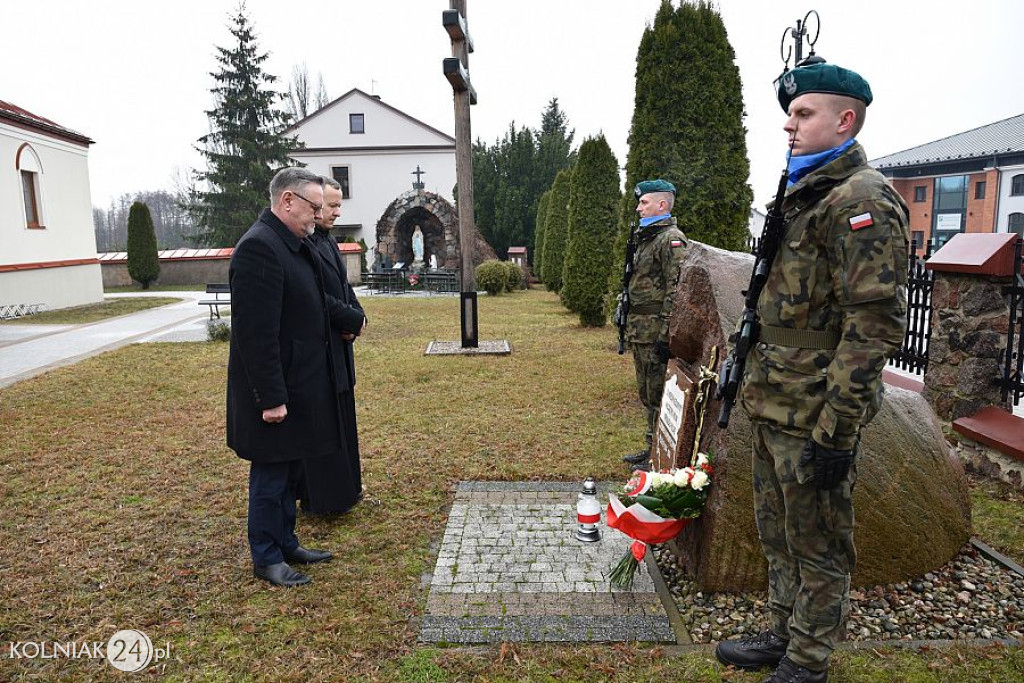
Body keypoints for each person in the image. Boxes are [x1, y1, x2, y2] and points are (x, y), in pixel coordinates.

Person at [714, 62, 909, 682]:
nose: (788, 124)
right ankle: (783, 632)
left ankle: (809, 661)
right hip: (774, 400)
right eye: (791, 114)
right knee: (779, 533)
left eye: (803, 114)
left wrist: (839, 427)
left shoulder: (862, 200)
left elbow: (872, 325)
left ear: (844, 120)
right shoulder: (807, 194)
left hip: (815, 412)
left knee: (820, 541)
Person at [226, 167, 338, 588]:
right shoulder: (260, 248)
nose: (318, 215)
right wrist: (271, 398)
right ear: (287, 201)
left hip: (299, 382)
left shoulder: (290, 243)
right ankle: (266, 556)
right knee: (271, 476)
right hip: (275, 390)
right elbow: (256, 335)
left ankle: (286, 540)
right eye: (313, 206)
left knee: (291, 470)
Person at [299, 177, 366, 514]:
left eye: (340, 205)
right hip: (321, 348)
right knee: (325, 428)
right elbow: (312, 295)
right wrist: (348, 320)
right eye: (332, 205)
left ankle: (349, 489)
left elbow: (344, 288)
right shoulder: (306, 244)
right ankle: (325, 499)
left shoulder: (327, 241)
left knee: (344, 423)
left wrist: (358, 317)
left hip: (340, 346)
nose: (338, 212)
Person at [621, 179, 687, 472]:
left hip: (654, 332)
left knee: (659, 395)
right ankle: (650, 448)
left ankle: (661, 455)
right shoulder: (646, 238)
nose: (638, 207)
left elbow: (676, 289)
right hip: (640, 330)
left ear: (662, 204)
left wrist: (665, 335)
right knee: (647, 394)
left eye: (643, 202)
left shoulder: (671, 240)